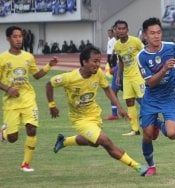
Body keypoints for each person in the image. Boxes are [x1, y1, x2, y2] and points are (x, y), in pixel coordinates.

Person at [46, 46, 147, 176]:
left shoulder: (98, 73)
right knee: (105, 141)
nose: (98, 65)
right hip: (80, 119)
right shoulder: (69, 77)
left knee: (93, 143)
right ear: (84, 62)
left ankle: (64, 141)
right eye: (94, 61)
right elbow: (49, 83)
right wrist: (52, 105)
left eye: (99, 61)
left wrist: (119, 107)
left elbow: (107, 89)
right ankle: (137, 166)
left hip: (94, 115)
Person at [0, 26, 58, 172]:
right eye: (15, 36)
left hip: (28, 99)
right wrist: (8, 89)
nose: (19, 39)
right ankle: (4, 133)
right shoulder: (2, 58)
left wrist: (49, 66)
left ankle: (25, 164)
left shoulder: (28, 56)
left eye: (20, 36)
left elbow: (36, 75)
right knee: (13, 138)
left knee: (32, 130)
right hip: (11, 102)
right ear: (8, 39)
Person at [137, 17, 175, 176]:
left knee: (172, 134)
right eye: (152, 33)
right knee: (147, 136)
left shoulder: (171, 47)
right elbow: (150, 83)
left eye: (158, 32)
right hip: (151, 98)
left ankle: (157, 123)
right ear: (145, 36)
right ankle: (151, 166)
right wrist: (164, 69)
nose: (156, 36)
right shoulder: (141, 57)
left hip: (168, 96)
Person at [114, 20, 145, 136]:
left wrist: (145, 71)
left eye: (123, 28)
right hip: (126, 77)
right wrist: (118, 75)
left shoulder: (135, 41)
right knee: (129, 102)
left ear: (127, 30)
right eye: (119, 29)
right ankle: (135, 129)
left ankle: (151, 123)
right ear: (116, 30)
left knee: (144, 101)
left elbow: (145, 53)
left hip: (138, 75)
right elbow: (121, 60)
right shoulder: (117, 45)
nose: (121, 31)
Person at [104, 27, 122, 120]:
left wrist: (114, 68)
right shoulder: (115, 42)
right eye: (115, 30)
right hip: (119, 71)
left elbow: (112, 56)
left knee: (134, 96)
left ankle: (150, 111)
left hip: (126, 72)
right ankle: (114, 114)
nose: (116, 32)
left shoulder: (130, 42)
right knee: (113, 91)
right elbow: (112, 56)